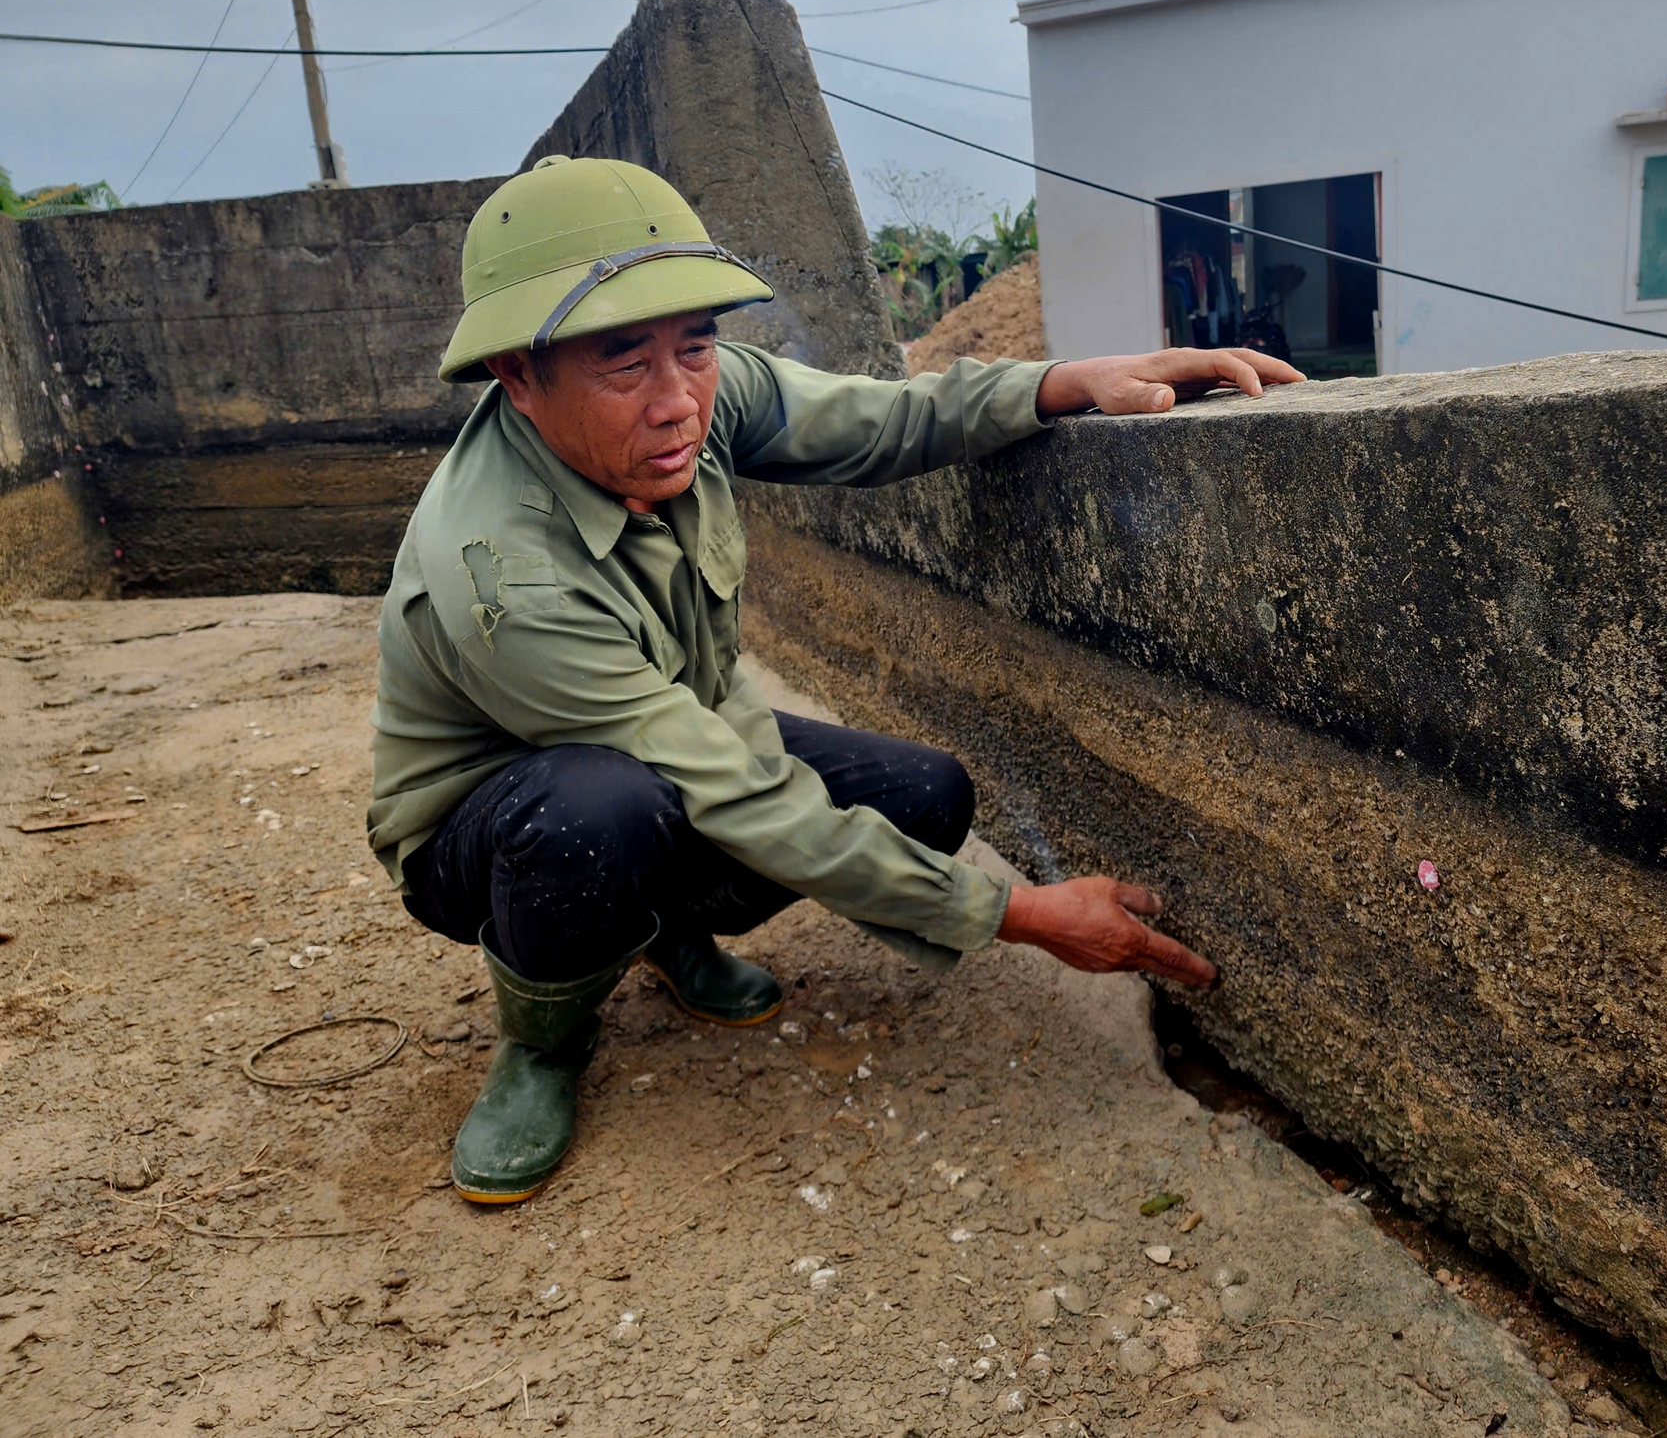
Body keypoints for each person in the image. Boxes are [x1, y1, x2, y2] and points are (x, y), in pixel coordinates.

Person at [368, 155, 1304, 1203]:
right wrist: (1022, 916)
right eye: (623, 364)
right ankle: (539, 1044)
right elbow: (740, 796)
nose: (677, 400)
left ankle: (665, 932)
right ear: (516, 374)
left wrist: (1060, 384)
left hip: (668, 747)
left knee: (926, 798)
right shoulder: (503, 570)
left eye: (696, 345)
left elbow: (878, 419)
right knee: (599, 809)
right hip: (491, 828)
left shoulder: (696, 404)